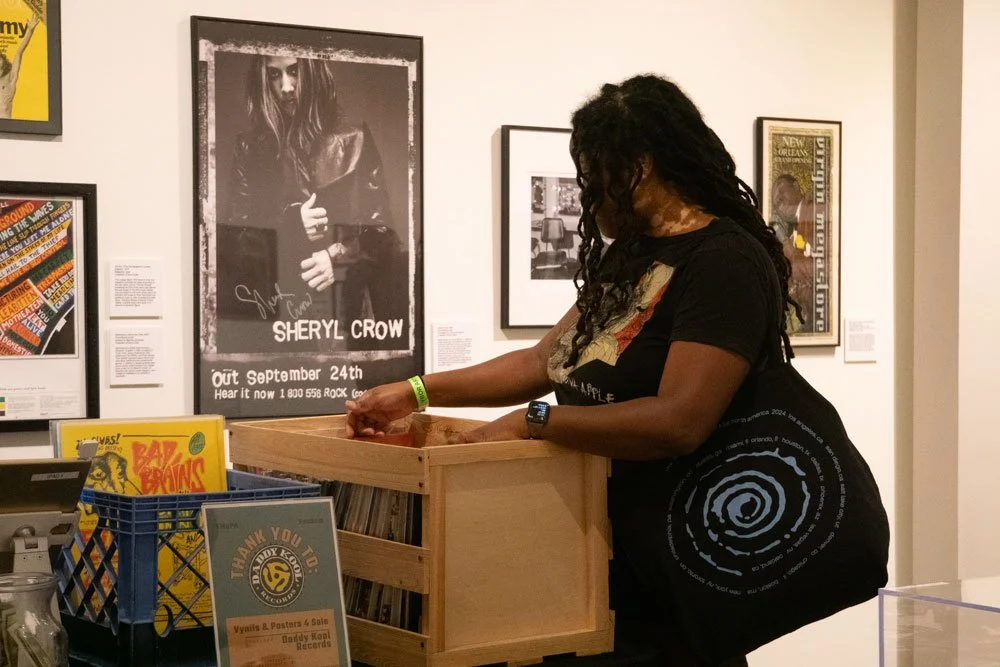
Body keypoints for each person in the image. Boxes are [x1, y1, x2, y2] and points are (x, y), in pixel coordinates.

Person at [345, 74, 802, 666]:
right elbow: (544, 361)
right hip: (589, 561)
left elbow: (679, 421)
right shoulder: (633, 254)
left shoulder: (724, 265)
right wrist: (415, 390)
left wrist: (534, 422)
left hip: (673, 578)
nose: (586, 195)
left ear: (638, 167)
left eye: (592, 177)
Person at [221, 54, 407, 350]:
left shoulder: (354, 138)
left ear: (312, 70)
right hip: (276, 314)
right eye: (273, 75)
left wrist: (336, 256)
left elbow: (383, 234)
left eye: (293, 71)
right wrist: (290, 225)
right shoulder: (250, 148)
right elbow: (232, 245)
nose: (285, 86)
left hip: (343, 311)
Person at [770, 173, 815, 332]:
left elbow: (812, 267)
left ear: (796, 186)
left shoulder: (812, 211)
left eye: (781, 191)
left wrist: (787, 248)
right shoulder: (796, 229)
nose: (779, 199)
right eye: (777, 202)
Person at [0, 12, 40, 119]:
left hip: (8, 129)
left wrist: (30, 31)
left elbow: (19, 52)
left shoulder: (10, 79)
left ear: (4, 64)